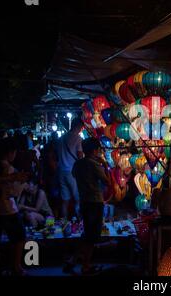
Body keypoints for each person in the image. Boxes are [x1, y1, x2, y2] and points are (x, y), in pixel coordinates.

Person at [64, 137, 110, 275]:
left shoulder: (78, 164)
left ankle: (73, 260)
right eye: (98, 150)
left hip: (83, 201)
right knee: (91, 236)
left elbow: (73, 174)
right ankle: (85, 266)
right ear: (95, 150)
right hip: (95, 202)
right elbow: (106, 181)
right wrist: (104, 166)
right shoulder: (94, 164)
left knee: (87, 234)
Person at [0, 138, 29, 276]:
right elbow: (13, 192)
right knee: (19, 238)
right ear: (10, 152)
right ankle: (17, 267)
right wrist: (20, 181)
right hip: (7, 208)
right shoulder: (8, 168)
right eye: (15, 152)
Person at [56, 117, 84, 219]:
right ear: (79, 126)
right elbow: (80, 157)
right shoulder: (78, 139)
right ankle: (79, 223)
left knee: (65, 201)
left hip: (61, 171)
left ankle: (64, 223)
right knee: (78, 199)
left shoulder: (61, 139)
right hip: (72, 172)